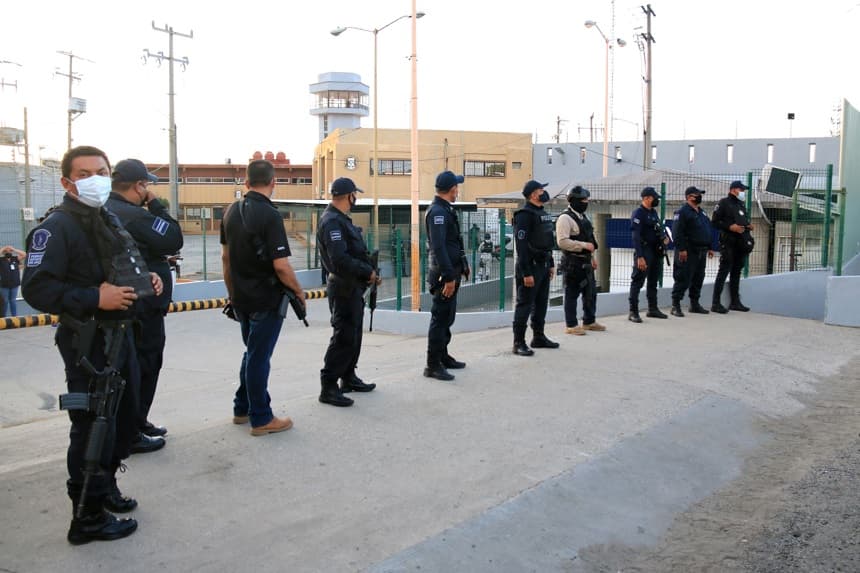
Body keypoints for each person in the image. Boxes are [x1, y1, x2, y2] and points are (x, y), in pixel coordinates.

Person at [22, 145, 163, 545]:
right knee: (92, 427)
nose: (94, 178)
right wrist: (93, 298)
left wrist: (146, 282)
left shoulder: (105, 218)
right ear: (67, 181)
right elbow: (37, 288)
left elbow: (121, 265)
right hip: (88, 345)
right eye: (84, 173)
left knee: (122, 419)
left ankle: (105, 490)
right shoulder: (58, 226)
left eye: (101, 170)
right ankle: (86, 517)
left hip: (120, 337)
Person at [220, 159, 303, 436]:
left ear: (245, 182)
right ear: (273, 182)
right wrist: (299, 292)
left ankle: (241, 407)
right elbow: (281, 265)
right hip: (266, 300)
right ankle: (261, 418)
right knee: (259, 357)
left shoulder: (231, 211)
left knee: (252, 353)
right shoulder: (270, 215)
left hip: (241, 299)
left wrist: (232, 294)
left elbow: (225, 258)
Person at [107, 159, 184, 451]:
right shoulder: (134, 215)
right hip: (143, 306)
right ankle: (131, 430)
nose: (148, 190)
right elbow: (173, 238)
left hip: (130, 303)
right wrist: (157, 206)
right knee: (145, 365)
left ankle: (136, 421)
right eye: (147, 185)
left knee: (134, 366)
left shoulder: (108, 211)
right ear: (139, 186)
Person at [316, 177, 380, 407]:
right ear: (349, 196)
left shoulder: (341, 220)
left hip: (353, 286)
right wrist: (367, 272)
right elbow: (339, 259)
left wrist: (368, 271)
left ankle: (348, 377)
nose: (356, 199)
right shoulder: (332, 221)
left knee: (353, 335)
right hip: (343, 287)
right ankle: (329, 386)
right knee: (343, 337)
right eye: (355, 194)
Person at [424, 170, 469, 381]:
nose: (458, 191)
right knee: (440, 319)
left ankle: (443, 356)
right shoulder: (438, 212)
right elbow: (439, 247)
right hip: (444, 276)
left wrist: (464, 264)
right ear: (452, 189)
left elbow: (454, 242)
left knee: (447, 318)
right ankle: (432, 365)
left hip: (452, 270)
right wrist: (449, 277)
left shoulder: (446, 210)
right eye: (457, 187)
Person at [512, 180, 559, 356]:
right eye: (541, 190)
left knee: (541, 304)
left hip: (544, 265)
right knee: (524, 305)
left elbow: (548, 241)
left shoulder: (543, 213)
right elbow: (521, 246)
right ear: (532, 194)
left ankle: (538, 337)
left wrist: (551, 263)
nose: (543, 192)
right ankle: (518, 342)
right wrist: (526, 272)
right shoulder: (524, 215)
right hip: (530, 267)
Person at [556, 185, 605, 335]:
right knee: (571, 294)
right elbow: (562, 241)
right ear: (574, 200)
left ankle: (589, 321)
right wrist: (583, 246)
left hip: (586, 261)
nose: (586, 202)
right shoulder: (565, 218)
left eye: (587, 199)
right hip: (573, 262)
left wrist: (593, 258)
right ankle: (571, 325)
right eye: (583, 199)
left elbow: (589, 238)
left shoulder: (583, 217)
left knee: (590, 292)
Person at [711, 180, 755, 313]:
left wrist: (748, 226)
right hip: (728, 242)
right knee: (724, 271)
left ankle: (735, 302)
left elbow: (743, 220)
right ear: (733, 190)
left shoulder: (741, 204)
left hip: (740, 243)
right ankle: (716, 303)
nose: (743, 193)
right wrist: (730, 227)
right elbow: (715, 221)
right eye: (741, 190)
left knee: (736, 272)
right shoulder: (724, 203)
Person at [670, 186, 714, 317]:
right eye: (697, 195)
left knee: (698, 278)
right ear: (689, 197)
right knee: (683, 277)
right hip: (688, 251)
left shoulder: (701, 212)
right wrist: (682, 249)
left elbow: (706, 230)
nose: (700, 197)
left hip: (701, 250)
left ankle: (694, 304)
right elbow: (677, 232)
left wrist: (710, 246)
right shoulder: (682, 212)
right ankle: (675, 305)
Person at [628, 187, 670, 323]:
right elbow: (635, 236)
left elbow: (656, 230)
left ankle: (653, 309)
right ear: (646, 198)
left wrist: (664, 238)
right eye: (654, 197)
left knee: (653, 281)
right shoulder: (638, 213)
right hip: (644, 251)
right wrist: (640, 256)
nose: (656, 200)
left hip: (655, 251)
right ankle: (633, 312)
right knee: (638, 281)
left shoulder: (653, 213)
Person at [0, 245, 25, 317]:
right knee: (5, 301)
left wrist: (14, 249)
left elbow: (24, 254)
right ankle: (3, 317)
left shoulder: (15, 259)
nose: (8, 252)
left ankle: (14, 317)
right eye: (6, 251)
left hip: (14, 284)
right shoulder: (1, 260)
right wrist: (3, 249)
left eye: (10, 251)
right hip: (4, 285)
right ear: (4, 252)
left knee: (13, 301)